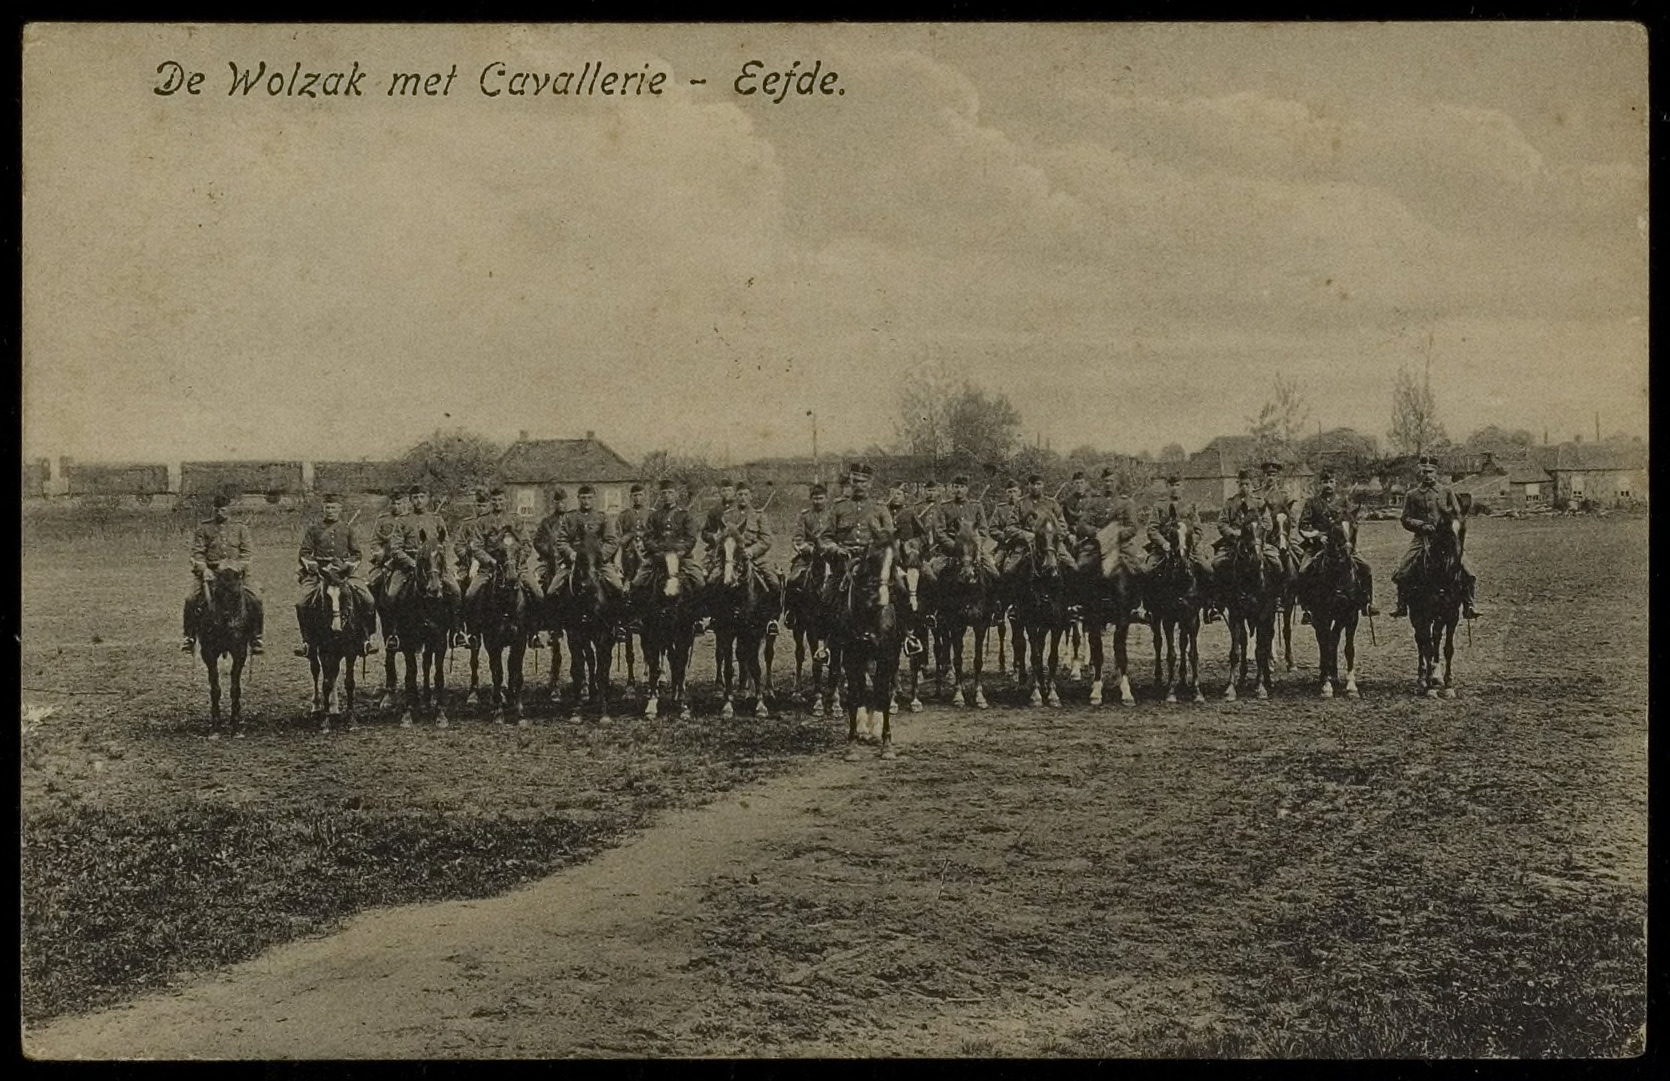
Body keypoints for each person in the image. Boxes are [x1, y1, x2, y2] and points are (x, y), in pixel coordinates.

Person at [1391, 455, 1481, 619]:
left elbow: (1457, 514)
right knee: (1403, 570)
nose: (1427, 475)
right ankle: (1401, 604)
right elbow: (1405, 518)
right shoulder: (1412, 494)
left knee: (1468, 570)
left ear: (1436, 472)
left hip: (1446, 539)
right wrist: (1421, 525)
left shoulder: (1446, 491)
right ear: (1420, 472)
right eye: (1424, 472)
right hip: (1422, 538)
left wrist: (1450, 523)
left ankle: (1469, 605)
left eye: (1430, 471)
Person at [293, 493, 378, 657]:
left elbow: (357, 554)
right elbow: (304, 553)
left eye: (333, 508)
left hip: (344, 574)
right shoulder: (314, 529)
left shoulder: (348, 530)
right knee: (301, 603)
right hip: (319, 573)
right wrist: (314, 566)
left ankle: (367, 638)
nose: (330, 511)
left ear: (340, 509)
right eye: (327, 507)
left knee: (369, 600)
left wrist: (345, 566)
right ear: (323, 509)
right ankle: (306, 642)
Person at [181, 493, 265, 654]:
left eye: (223, 510)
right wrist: (205, 570)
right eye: (217, 510)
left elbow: (247, 553)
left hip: (236, 574)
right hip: (211, 574)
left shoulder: (240, 528)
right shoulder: (204, 528)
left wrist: (236, 567)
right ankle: (189, 637)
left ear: (229, 509)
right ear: (213, 510)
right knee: (190, 598)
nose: (220, 513)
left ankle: (256, 637)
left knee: (256, 598)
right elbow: (197, 553)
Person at [1295, 471, 1380, 621]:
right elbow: (1303, 525)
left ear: (1335, 483)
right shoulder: (1312, 503)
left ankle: (1367, 603)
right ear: (1319, 484)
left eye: (1331, 481)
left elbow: (1352, 522)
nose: (1328, 485)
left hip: (1342, 546)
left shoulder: (1343, 502)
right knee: (1303, 570)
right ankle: (1306, 608)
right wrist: (1318, 535)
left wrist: (1348, 540)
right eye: (1324, 482)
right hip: (1318, 546)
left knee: (1366, 567)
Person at [1145, 473, 1219, 619]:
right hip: (1164, 549)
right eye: (1171, 485)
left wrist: (1189, 543)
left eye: (1177, 485)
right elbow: (1152, 529)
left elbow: (1198, 529)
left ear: (1182, 486)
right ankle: (1148, 609)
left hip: (1188, 548)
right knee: (1147, 571)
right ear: (1167, 487)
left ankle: (1210, 607)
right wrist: (1163, 542)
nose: (1174, 488)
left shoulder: (1190, 506)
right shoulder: (1159, 506)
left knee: (1208, 569)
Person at [821, 463, 895, 605]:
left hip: (874, 564)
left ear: (870, 483)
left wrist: (877, 549)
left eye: (863, 482)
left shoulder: (880, 508)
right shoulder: (838, 507)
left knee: (900, 590)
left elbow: (889, 537)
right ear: (850, 482)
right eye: (855, 481)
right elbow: (825, 537)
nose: (859, 485)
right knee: (827, 599)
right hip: (844, 562)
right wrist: (836, 549)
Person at [553, 484, 626, 598]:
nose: (586, 501)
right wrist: (570, 553)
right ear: (578, 498)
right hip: (574, 561)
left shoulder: (602, 517)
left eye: (589, 497)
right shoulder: (569, 517)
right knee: (552, 591)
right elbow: (561, 540)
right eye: (583, 498)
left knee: (618, 586)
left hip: (598, 561)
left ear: (594, 498)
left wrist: (600, 555)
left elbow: (611, 540)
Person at [632, 478, 703, 596]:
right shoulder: (655, 516)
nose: (667, 496)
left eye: (670, 493)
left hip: (681, 556)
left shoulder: (685, 515)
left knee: (699, 582)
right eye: (664, 493)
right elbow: (648, 537)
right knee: (637, 582)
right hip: (658, 556)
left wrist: (678, 550)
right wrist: (658, 550)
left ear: (676, 494)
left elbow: (691, 538)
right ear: (660, 495)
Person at [1070, 466, 1143, 578]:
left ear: (1116, 482)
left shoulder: (1125, 502)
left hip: (1120, 544)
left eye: (1111, 481)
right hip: (1096, 544)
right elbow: (1082, 524)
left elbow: (1133, 527)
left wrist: (1115, 535)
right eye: (1106, 481)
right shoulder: (1094, 501)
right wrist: (1096, 533)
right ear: (1102, 482)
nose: (1108, 484)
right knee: (1081, 566)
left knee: (1136, 569)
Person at [929, 473, 998, 580]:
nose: (959, 490)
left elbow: (983, 531)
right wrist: (954, 546)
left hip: (974, 550)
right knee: (934, 574)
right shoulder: (944, 507)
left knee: (994, 573)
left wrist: (976, 546)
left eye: (962, 487)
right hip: (950, 550)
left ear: (967, 489)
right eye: (956, 486)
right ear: (952, 488)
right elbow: (939, 532)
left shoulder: (976, 506)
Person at [406, 483, 460, 611]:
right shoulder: (403, 520)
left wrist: (441, 558)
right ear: (410, 500)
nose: (419, 501)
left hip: (435, 565)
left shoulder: (436, 519)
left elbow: (445, 542)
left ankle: (456, 622)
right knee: (392, 595)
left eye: (421, 497)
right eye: (415, 497)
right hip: (410, 565)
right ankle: (395, 622)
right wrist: (411, 561)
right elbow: (396, 547)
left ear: (427, 498)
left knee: (456, 591)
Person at [366, 486, 412, 607]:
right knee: (371, 583)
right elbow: (374, 542)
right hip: (386, 561)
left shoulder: (412, 519)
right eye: (394, 504)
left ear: (407, 503)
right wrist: (379, 553)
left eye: (400, 504)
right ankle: (375, 611)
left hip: (408, 561)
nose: (396, 507)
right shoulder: (383, 519)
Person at [787, 483, 832, 592]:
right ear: (811, 499)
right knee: (792, 580)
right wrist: (809, 549)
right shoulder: (804, 516)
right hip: (809, 557)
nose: (818, 502)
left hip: (831, 555)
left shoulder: (832, 515)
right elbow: (798, 538)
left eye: (821, 498)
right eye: (815, 499)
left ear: (826, 498)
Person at [989, 479, 1030, 577]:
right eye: (1009, 492)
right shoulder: (1000, 509)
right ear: (1006, 493)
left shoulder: (1027, 507)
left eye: (1014, 491)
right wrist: (1005, 537)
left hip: (1024, 544)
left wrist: (1023, 536)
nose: (1012, 495)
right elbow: (992, 529)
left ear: (1020, 492)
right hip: (1005, 546)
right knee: (993, 568)